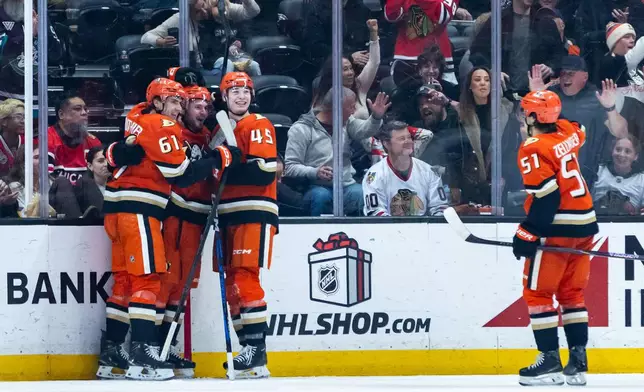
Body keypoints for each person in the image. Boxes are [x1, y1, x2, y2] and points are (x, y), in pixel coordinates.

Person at [98, 78, 240, 381]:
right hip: (140, 208)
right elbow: (180, 174)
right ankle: (142, 354)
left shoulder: (137, 116)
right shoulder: (160, 125)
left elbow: (122, 146)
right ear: (159, 102)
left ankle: (112, 353)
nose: (180, 108)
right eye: (176, 101)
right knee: (149, 280)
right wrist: (221, 157)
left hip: (119, 207)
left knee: (125, 281)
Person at [512, 90, 598, 386]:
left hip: (557, 229)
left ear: (534, 117)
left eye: (527, 111)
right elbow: (579, 128)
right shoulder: (567, 131)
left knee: (538, 294)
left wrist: (527, 231)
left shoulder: (532, 147)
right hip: (585, 224)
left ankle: (549, 360)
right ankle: (578, 360)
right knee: (572, 293)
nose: (524, 116)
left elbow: (546, 199)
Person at [215, 72, 278, 379]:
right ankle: (248, 351)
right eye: (234, 91)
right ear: (223, 97)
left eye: (245, 91)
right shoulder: (220, 130)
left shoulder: (258, 125)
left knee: (245, 276)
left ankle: (257, 349)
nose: (241, 96)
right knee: (232, 283)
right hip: (227, 213)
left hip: (254, 210)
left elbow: (265, 172)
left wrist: (230, 165)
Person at [158, 84, 215, 378]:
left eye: (206, 107)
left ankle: (168, 346)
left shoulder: (208, 137)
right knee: (166, 282)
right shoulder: (172, 134)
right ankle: (155, 346)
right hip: (174, 215)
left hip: (198, 218)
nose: (202, 112)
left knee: (183, 287)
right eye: (197, 106)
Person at [362, 121, 447, 216]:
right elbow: (376, 213)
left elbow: (440, 209)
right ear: (386, 144)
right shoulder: (374, 175)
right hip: (389, 229)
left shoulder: (428, 171)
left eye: (409, 137)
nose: (408, 142)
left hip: (423, 228)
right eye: (401, 139)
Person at [593, 135, 644, 215]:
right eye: (618, 149)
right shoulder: (596, 172)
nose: (621, 154)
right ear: (612, 151)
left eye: (627, 151)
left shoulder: (641, 180)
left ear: (636, 156)